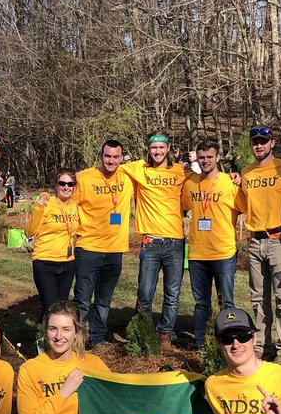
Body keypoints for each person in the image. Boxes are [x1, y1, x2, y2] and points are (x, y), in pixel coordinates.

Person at [235, 126, 281, 361]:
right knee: (258, 298)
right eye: (255, 142)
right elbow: (241, 204)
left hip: (280, 239)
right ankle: (261, 346)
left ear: (272, 143)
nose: (258, 145)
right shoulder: (247, 172)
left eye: (263, 141)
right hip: (255, 241)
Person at [122, 132, 186, 351]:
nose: (157, 152)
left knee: (172, 293)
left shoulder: (180, 171)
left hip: (175, 241)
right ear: (148, 150)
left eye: (161, 148)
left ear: (168, 148)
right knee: (145, 293)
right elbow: (112, 167)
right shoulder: (140, 169)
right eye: (153, 148)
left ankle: (165, 335)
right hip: (150, 242)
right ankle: (145, 333)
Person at [73, 140, 134, 349]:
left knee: (104, 300)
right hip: (88, 247)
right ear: (101, 156)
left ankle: (98, 338)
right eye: (107, 156)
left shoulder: (128, 176)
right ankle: (77, 339)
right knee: (82, 299)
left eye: (116, 157)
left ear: (122, 158)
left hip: (115, 250)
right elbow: (66, 198)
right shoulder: (85, 177)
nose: (111, 161)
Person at [181, 140, 239, 349]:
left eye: (209, 157)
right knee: (201, 303)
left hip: (223, 251)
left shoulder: (230, 183)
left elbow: (243, 207)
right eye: (202, 157)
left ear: (217, 158)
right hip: (197, 252)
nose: (205, 161)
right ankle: (200, 342)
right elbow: (184, 205)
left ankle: (228, 341)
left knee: (226, 301)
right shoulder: (190, 184)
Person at [27, 168, 79, 318]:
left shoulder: (75, 206)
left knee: (61, 308)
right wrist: (39, 207)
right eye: (62, 183)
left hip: (68, 263)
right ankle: (43, 340)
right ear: (55, 185)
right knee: (50, 307)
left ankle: (57, 340)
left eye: (70, 184)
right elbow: (29, 232)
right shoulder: (47, 203)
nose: (66, 187)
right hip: (45, 262)